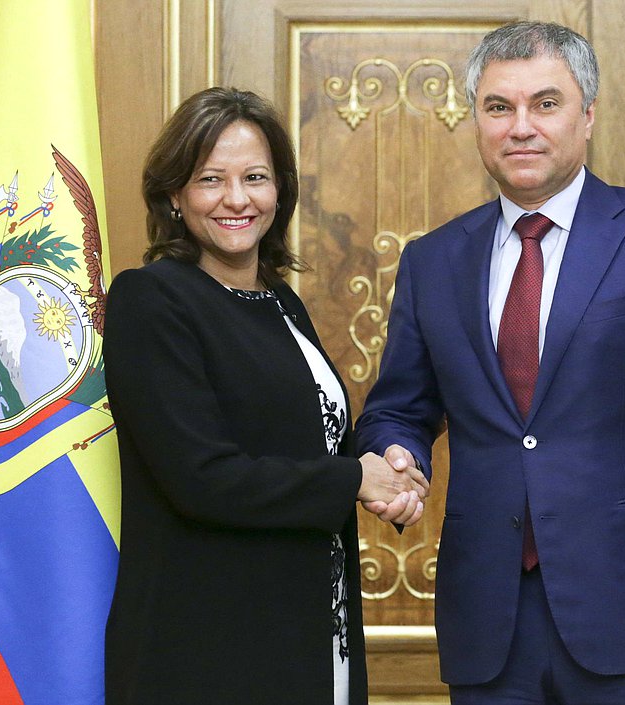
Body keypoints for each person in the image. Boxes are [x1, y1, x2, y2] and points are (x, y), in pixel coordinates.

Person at [356, 21, 625, 705]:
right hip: (490, 624)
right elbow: (399, 405)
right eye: (498, 107)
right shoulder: (434, 259)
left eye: (546, 103)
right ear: (476, 118)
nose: (521, 127)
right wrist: (396, 453)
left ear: (588, 114)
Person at [102, 87, 428, 705]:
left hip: (309, 626)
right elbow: (201, 476)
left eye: (255, 177)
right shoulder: (150, 301)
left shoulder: (280, 301)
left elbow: (312, 438)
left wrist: (394, 473)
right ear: (175, 194)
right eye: (210, 179)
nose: (236, 199)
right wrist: (352, 482)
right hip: (209, 645)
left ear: (279, 191)